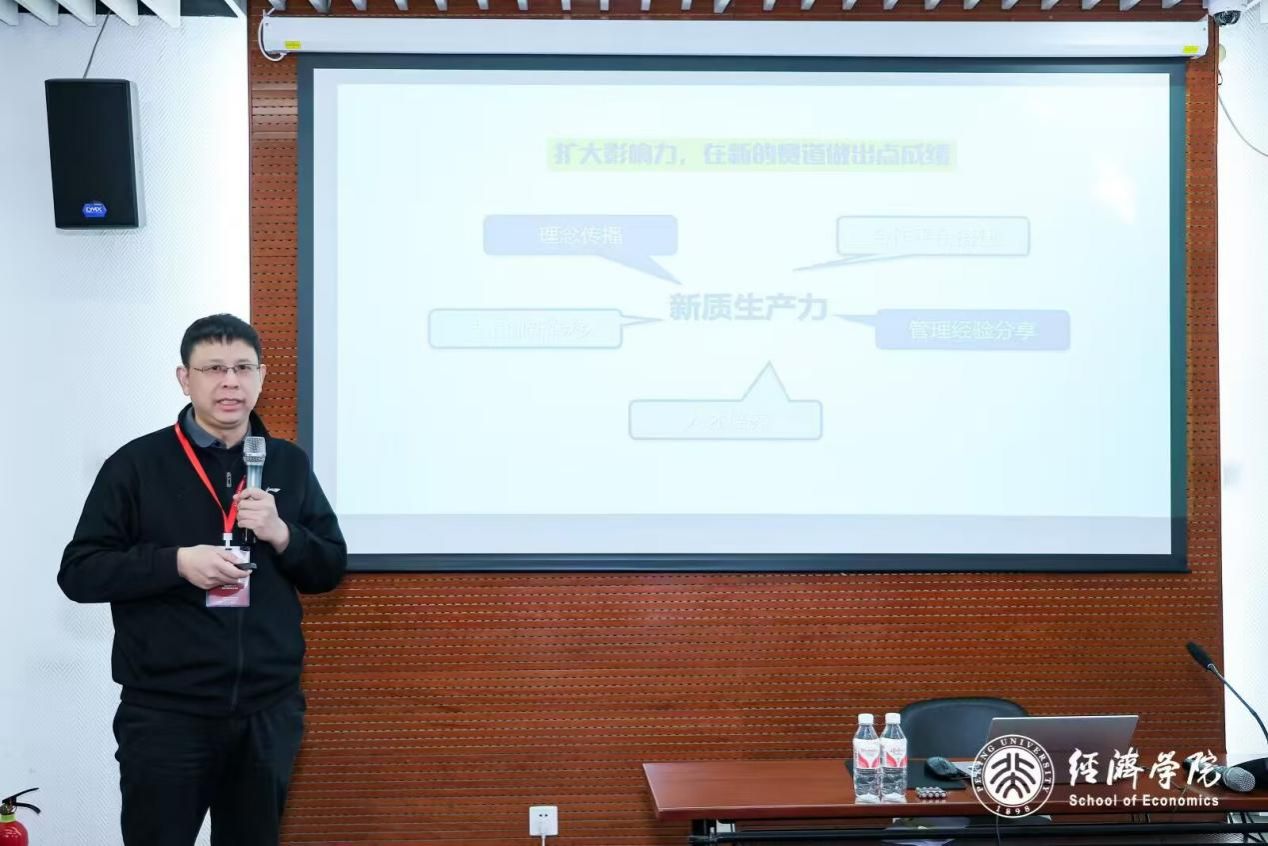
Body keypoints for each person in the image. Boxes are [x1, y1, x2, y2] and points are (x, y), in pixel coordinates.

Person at [59, 314, 347, 846]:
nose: (230, 382)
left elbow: (329, 567)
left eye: (243, 368)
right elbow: (80, 572)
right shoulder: (137, 464)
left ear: (262, 376)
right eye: (213, 369)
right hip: (167, 715)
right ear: (184, 379)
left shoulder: (287, 463)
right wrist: (176, 564)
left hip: (267, 712)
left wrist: (283, 533)